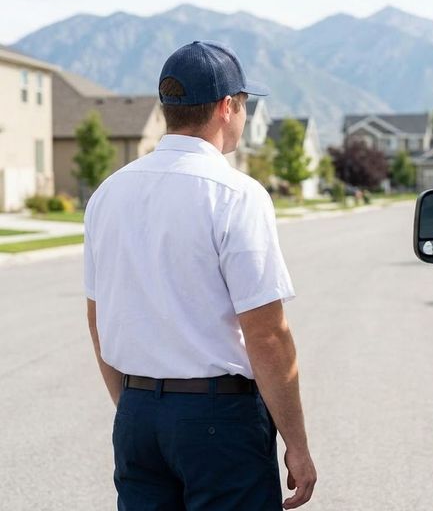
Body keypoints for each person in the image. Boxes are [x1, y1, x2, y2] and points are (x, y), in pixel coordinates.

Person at [84, 40, 317, 510]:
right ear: (226, 107)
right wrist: (297, 443)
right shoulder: (236, 194)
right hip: (219, 420)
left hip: (137, 415)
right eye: (245, 105)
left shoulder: (108, 193)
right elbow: (267, 335)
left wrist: (137, 406)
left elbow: (98, 318)